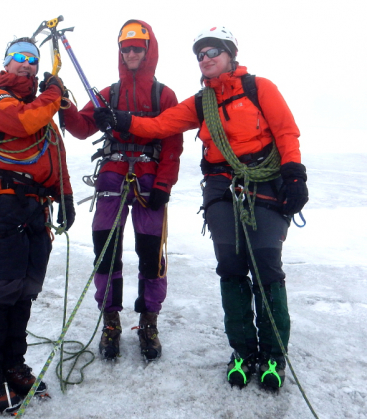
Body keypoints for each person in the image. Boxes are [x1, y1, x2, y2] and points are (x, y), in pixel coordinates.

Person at [93, 26, 308, 389]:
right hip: (222, 187)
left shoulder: (260, 88)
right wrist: (124, 121)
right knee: (231, 267)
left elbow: (286, 131)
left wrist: (294, 174)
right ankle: (242, 352)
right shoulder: (200, 101)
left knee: (267, 267)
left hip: (265, 182)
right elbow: (162, 125)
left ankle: (273, 358)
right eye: (201, 55)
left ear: (230, 54)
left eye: (213, 52)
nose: (206, 59)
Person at [62, 20, 183, 362]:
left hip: (148, 181)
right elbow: (82, 128)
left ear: (149, 50)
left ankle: (148, 321)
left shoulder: (165, 96)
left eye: (137, 47)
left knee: (150, 255)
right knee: (107, 252)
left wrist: (163, 185)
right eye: (126, 48)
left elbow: (173, 144)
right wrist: (66, 106)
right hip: (113, 177)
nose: (131, 53)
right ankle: (110, 321)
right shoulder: (107, 95)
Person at [0, 36, 75, 413]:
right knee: (1, 289)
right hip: (3, 204)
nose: (26, 64)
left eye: (32, 59)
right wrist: (53, 93)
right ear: (6, 63)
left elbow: (55, 150)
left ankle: (12, 364)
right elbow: (25, 121)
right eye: (18, 58)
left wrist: (65, 195)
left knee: (25, 290)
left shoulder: (40, 108)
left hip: (36, 208)